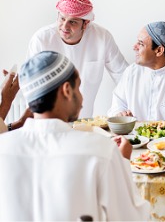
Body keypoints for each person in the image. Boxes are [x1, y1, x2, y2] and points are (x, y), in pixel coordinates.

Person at [0, 51, 150, 221]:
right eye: (78, 87)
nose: (81, 96)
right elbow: (130, 218)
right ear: (67, 90)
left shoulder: (2, 148)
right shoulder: (101, 151)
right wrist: (122, 161)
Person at [27, 0, 128, 118]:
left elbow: (124, 76)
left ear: (85, 24)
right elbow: (33, 84)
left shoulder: (102, 37)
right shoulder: (41, 39)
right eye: (62, 19)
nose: (65, 26)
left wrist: (120, 108)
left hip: (85, 121)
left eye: (72, 22)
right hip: (50, 120)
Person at [108, 21, 165, 121]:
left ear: (159, 50)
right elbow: (117, 106)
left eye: (141, 44)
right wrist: (121, 114)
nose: (134, 47)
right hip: (131, 136)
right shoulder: (131, 73)